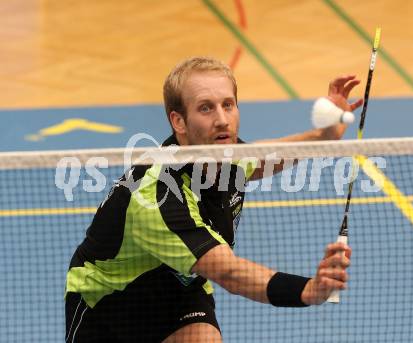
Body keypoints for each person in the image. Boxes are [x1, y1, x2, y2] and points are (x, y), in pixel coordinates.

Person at [65, 56, 362, 342]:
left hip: (181, 287)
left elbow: (261, 159)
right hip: (110, 302)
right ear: (178, 121)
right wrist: (307, 289)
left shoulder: (223, 154)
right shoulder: (158, 195)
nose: (222, 120)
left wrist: (325, 135)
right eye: (206, 108)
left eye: (228, 105)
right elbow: (229, 272)